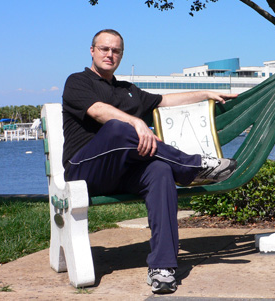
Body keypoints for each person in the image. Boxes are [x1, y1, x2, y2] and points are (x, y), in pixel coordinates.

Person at [62, 29, 238, 294]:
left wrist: (204, 94)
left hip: (120, 174)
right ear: (92, 51)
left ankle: (163, 267)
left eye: (116, 50)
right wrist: (134, 122)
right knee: (118, 128)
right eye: (104, 49)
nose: (110, 54)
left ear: (122, 54)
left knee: (160, 170)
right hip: (84, 171)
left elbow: (164, 100)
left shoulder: (127, 90)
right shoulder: (77, 81)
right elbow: (98, 111)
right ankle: (193, 166)